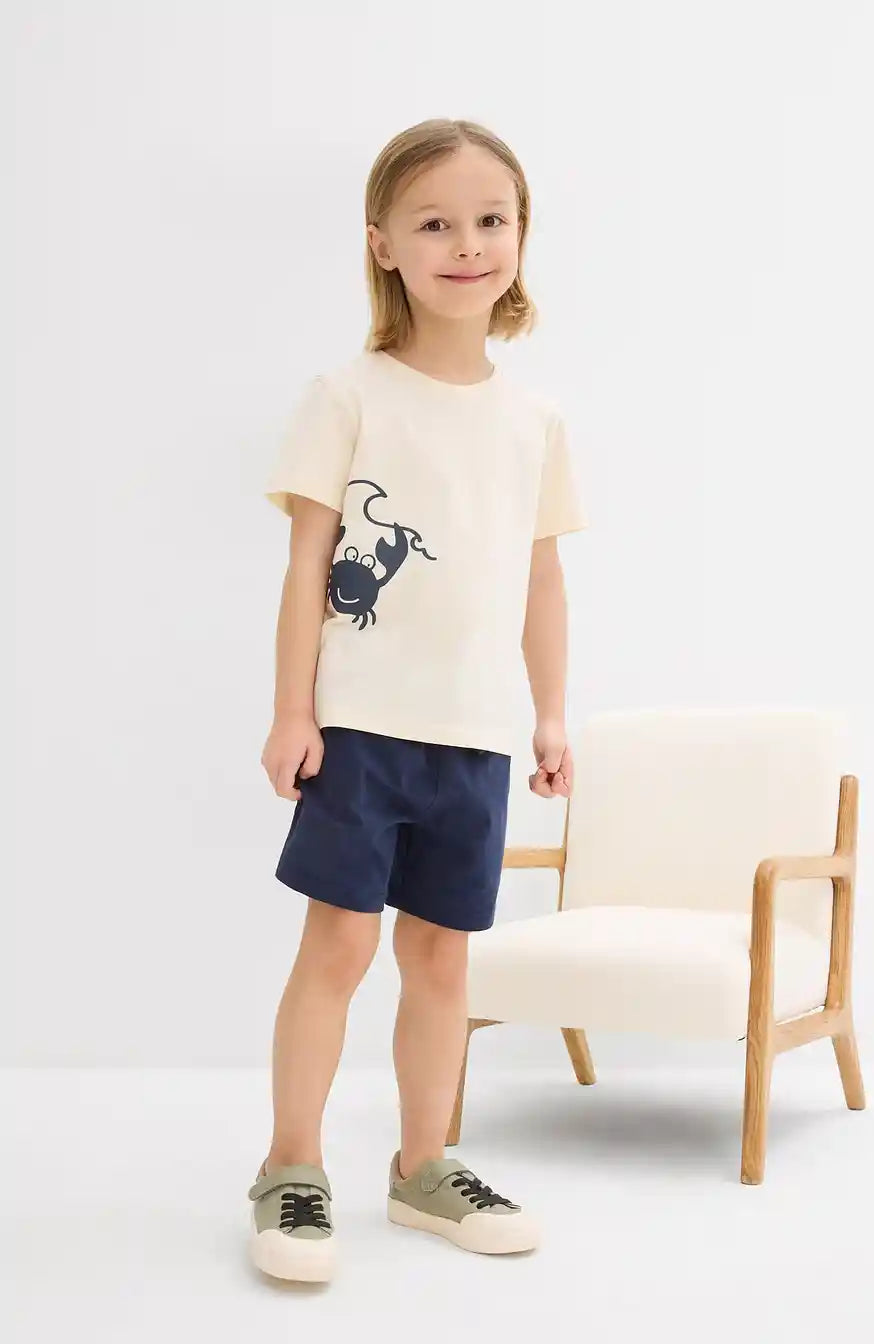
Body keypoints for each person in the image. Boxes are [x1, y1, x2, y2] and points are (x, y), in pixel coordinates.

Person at [247, 118, 588, 1283]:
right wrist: (293, 711)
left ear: (521, 236)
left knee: (442, 957)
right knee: (340, 944)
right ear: (383, 244)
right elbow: (308, 565)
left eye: (491, 219)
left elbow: (542, 580)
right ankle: (291, 1167)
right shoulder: (348, 396)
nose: (467, 244)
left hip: (475, 736)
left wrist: (549, 714)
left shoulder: (535, 423)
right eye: (435, 222)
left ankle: (425, 1166)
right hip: (360, 728)